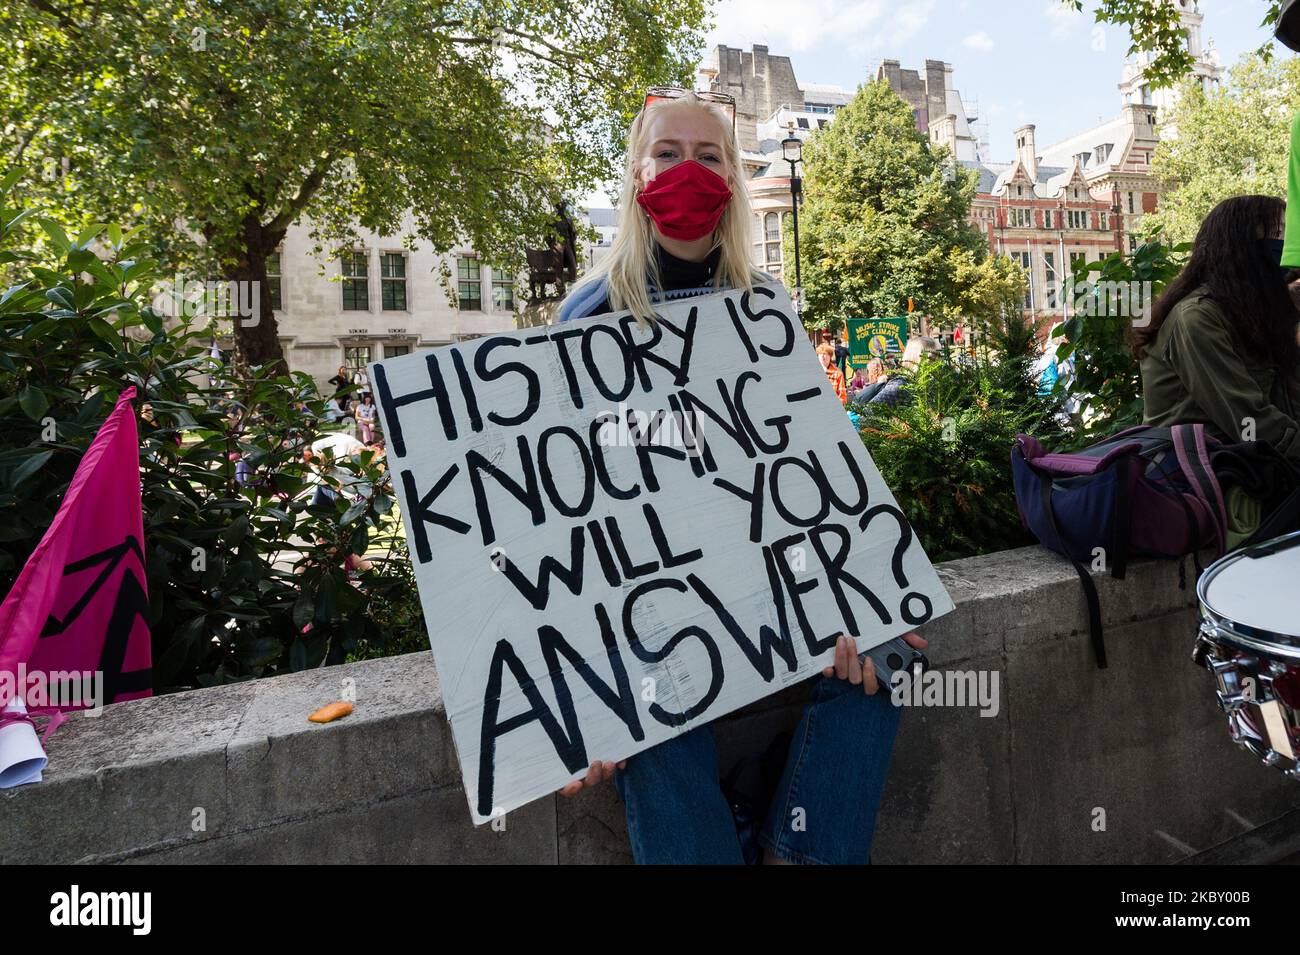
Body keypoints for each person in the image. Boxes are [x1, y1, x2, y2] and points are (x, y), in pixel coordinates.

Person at [555, 86, 927, 865]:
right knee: (647, 711)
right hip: (652, 595)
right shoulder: (587, 318)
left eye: (709, 155)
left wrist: (864, 591)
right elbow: (566, 511)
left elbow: (812, 466)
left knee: (894, 653)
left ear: (730, 176)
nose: (687, 171)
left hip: (768, 570)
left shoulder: (766, 306)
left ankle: (799, 851)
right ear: (633, 174)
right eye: (667, 154)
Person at [1136, 194, 1300, 544]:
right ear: (1242, 248)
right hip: (1209, 473)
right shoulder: (1197, 318)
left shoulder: (1253, 314)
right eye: (1279, 235)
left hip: (1248, 463)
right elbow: (1249, 422)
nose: (1288, 249)